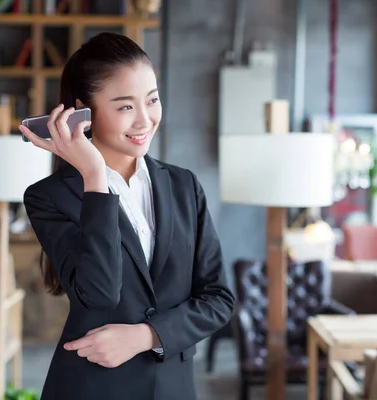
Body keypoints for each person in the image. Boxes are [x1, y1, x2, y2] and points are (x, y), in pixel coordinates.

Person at [20, 32, 235, 400]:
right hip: (92, 387)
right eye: (124, 107)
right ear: (81, 112)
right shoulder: (49, 198)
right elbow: (100, 293)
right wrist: (94, 177)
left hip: (174, 388)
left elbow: (219, 300)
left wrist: (148, 336)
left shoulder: (184, 187)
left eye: (151, 100)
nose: (144, 120)